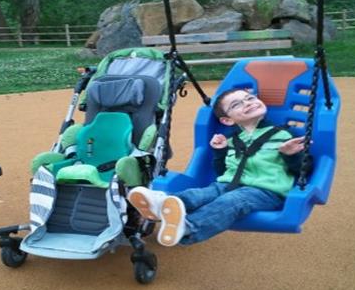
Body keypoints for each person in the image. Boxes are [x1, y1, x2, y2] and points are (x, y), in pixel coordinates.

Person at [128, 88, 309, 247]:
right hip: (227, 185)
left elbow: (303, 171)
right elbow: (223, 172)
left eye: (250, 98)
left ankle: (188, 228)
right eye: (237, 104)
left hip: (266, 191)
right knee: (198, 194)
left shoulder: (283, 135)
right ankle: (161, 205)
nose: (247, 103)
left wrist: (291, 154)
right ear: (227, 121)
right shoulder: (231, 140)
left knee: (232, 201)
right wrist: (221, 152)